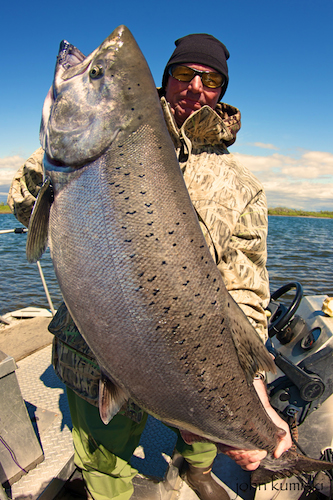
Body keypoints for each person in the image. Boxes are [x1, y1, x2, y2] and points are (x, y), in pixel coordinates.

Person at [8, 33, 292, 500]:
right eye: (183, 74)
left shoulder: (243, 186)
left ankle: (197, 470)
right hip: (98, 349)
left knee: (201, 440)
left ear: (222, 90)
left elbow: (246, 289)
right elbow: (23, 206)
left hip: (198, 358)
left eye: (211, 79)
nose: (195, 86)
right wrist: (55, 163)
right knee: (103, 460)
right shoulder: (107, 132)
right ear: (165, 79)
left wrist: (252, 385)